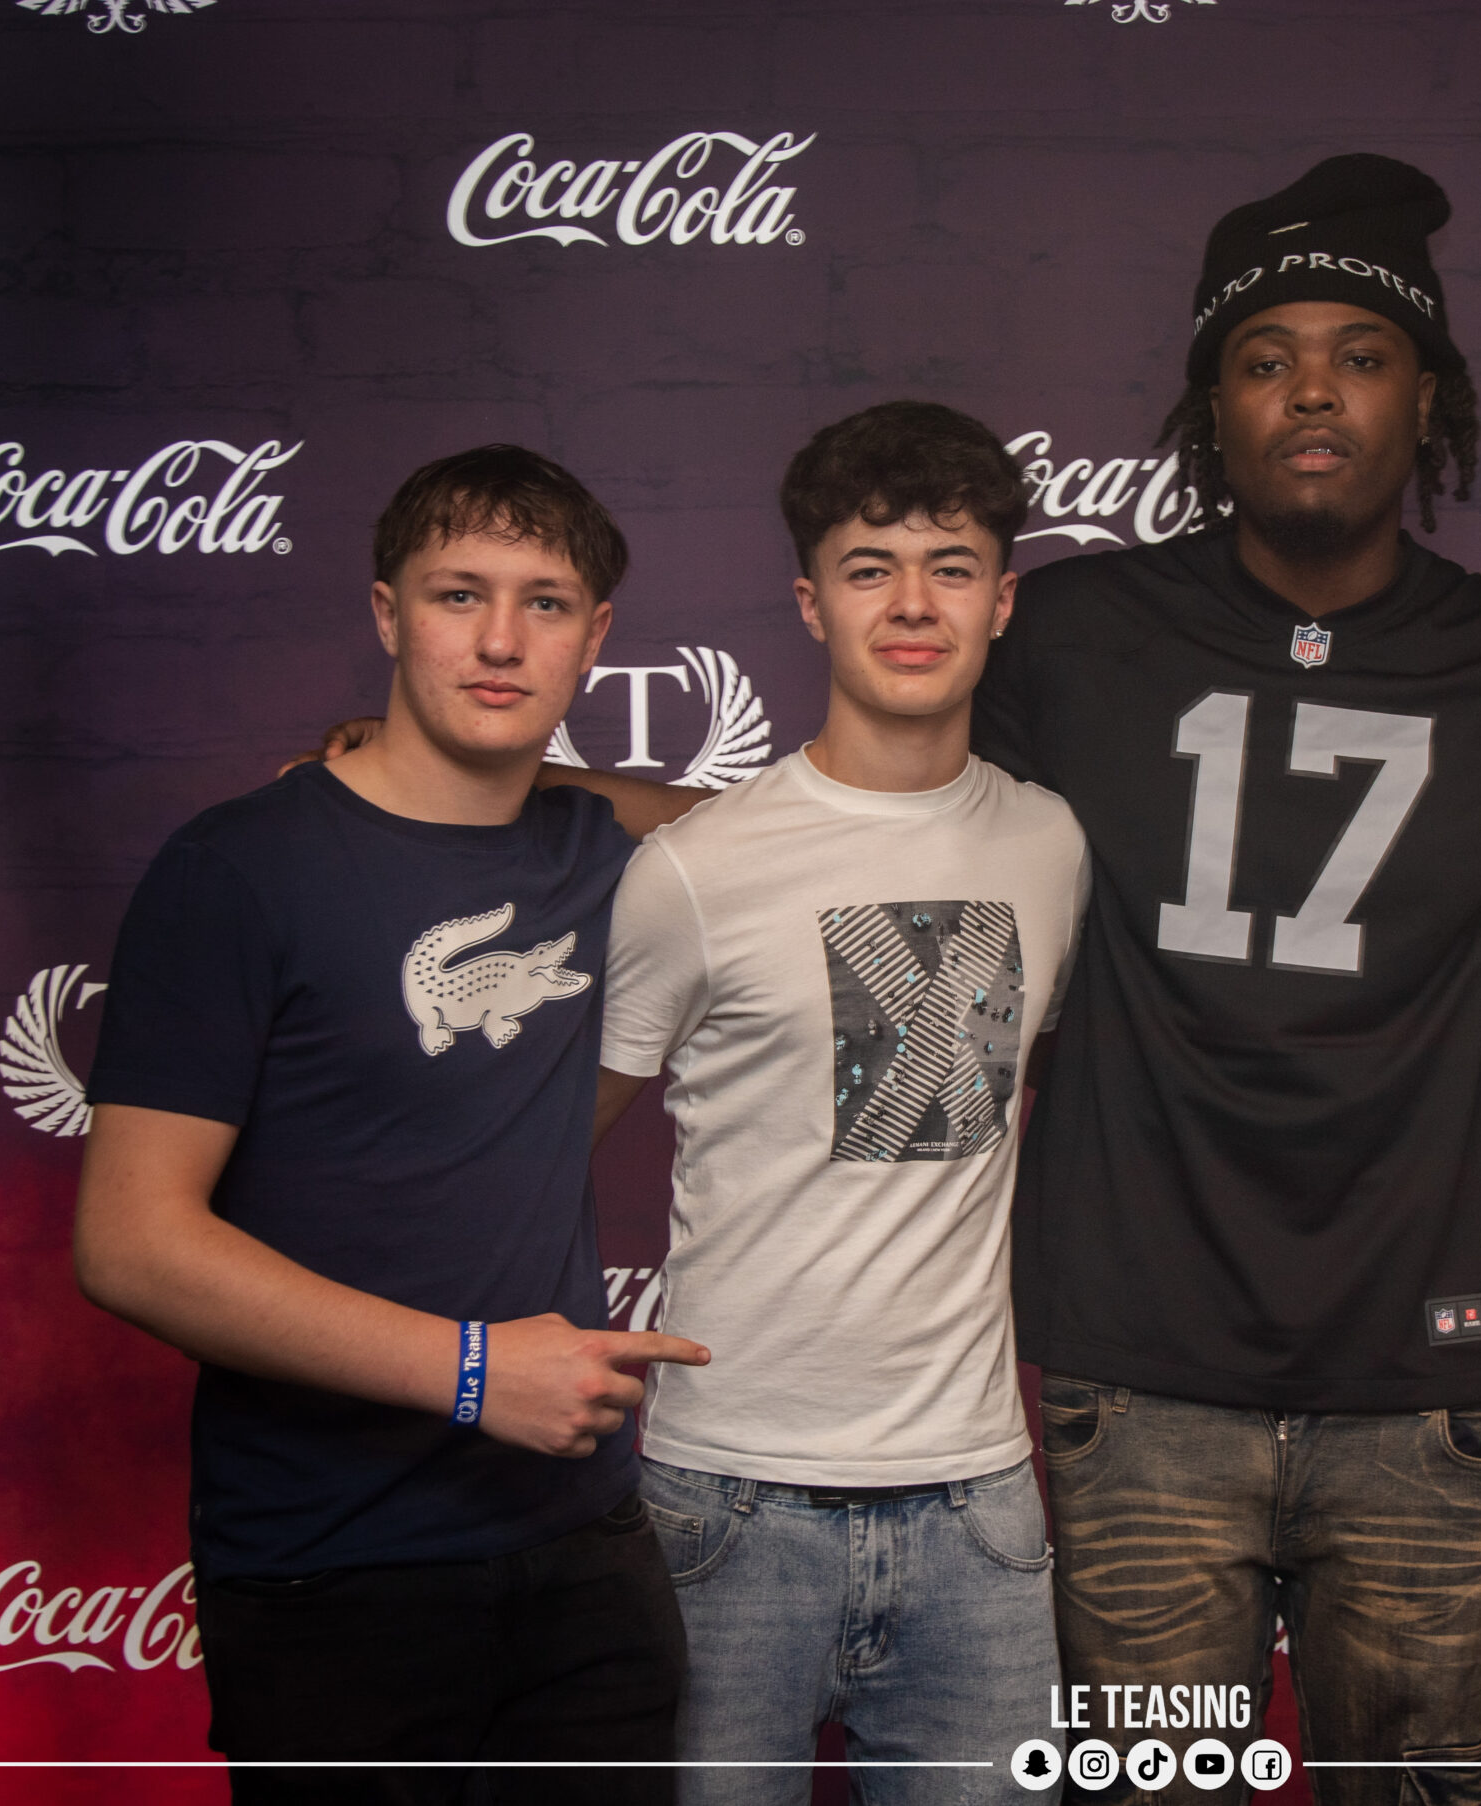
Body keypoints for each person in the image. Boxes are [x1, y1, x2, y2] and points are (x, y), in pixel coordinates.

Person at [970, 154, 1481, 1801]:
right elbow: (877, 828)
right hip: (1140, 1366)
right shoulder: (1068, 635)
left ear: (1428, 400)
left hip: (1427, 1374)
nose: (1314, 390)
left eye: (1361, 354)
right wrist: (546, 795)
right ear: (1213, 411)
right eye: (1266, 360)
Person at [75, 446, 709, 1803]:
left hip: (584, 1553)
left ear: (596, 635)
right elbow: (130, 1243)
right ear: (386, 612)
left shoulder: (597, 851)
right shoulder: (239, 867)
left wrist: (564, 784)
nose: (500, 640)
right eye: (457, 594)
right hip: (332, 1570)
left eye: (545, 603)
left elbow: (791, 829)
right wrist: (473, 1371)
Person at [590, 402, 1087, 1802]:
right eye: (871, 567)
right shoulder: (693, 871)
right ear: (812, 604)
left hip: (978, 1505)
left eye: (950, 564)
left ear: (1002, 600)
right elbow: (546, 1147)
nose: (913, 602)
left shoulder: (1053, 846)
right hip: (727, 1501)